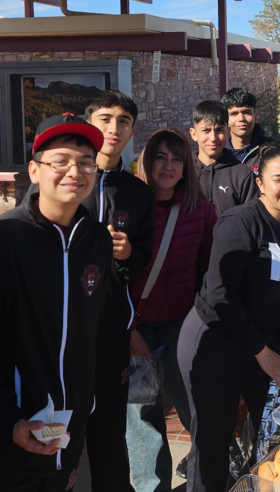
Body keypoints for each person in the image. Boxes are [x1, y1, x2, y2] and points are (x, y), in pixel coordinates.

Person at [0, 114, 122, 491]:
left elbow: (91, 329)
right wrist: (7, 419)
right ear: (34, 171)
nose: (74, 171)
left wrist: (89, 403)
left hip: (69, 427)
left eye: (85, 162)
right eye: (60, 161)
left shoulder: (96, 240)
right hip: (11, 430)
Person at [177, 146, 280, 492]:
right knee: (212, 442)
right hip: (215, 343)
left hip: (259, 345)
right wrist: (263, 353)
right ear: (259, 182)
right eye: (278, 179)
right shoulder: (240, 223)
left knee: (271, 432)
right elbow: (221, 295)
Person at [125, 128, 216, 492]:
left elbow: (210, 271)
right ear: (147, 161)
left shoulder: (200, 209)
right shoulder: (130, 206)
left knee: (194, 400)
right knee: (142, 411)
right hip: (138, 326)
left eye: (177, 159)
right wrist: (128, 329)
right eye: (160, 157)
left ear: (186, 167)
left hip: (182, 323)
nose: (168, 165)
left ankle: (206, 472)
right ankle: (152, 486)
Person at [81, 91, 155, 492]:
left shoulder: (137, 192)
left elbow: (142, 258)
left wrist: (127, 254)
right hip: (61, 328)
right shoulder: (67, 179)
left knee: (109, 435)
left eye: (123, 121)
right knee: (57, 434)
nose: (114, 128)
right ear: (89, 121)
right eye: (105, 118)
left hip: (110, 328)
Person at [190, 100, 256, 215]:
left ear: (228, 132)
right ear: (194, 134)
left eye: (219, 130)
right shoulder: (182, 170)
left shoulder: (242, 175)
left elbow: (251, 220)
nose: (213, 138)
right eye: (206, 130)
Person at [222, 87, 274, 164]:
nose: (241, 119)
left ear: (255, 117)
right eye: (234, 114)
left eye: (246, 112)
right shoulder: (218, 151)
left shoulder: (272, 151)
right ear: (225, 119)